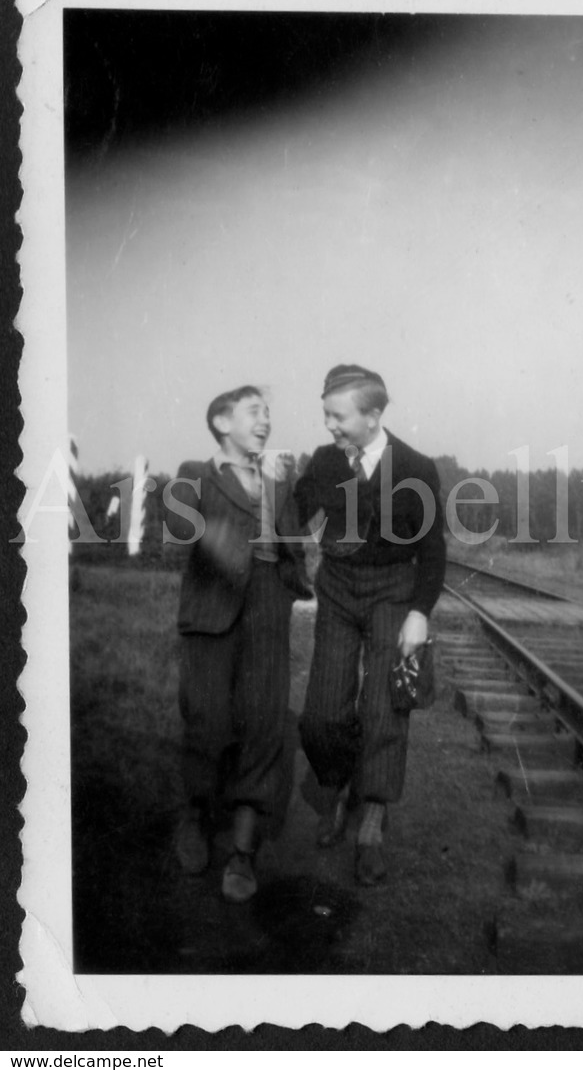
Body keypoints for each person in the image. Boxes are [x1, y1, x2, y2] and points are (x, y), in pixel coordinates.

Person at [295, 365, 446, 886]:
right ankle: (336, 786)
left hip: (392, 594)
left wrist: (419, 614)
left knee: (383, 710)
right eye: (326, 416)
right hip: (337, 590)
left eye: (338, 417)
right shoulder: (324, 461)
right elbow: (292, 515)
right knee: (320, 715)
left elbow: (432, 552)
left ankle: (372, 822)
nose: (330, 426)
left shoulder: (416, 468)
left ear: (373, 415)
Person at [164, 385, 311, 903]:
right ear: (223, 423)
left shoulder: (279, 480)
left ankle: (244, 851)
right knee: (207, 722)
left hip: (267, 613)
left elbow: (290, 550)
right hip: (210, 616)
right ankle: (196, 816)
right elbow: (181, 530)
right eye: (255, 411)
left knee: (265, 724)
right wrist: (228, 547)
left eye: (269, 412)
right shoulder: (194, 473)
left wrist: (275, 493)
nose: (266, 420)